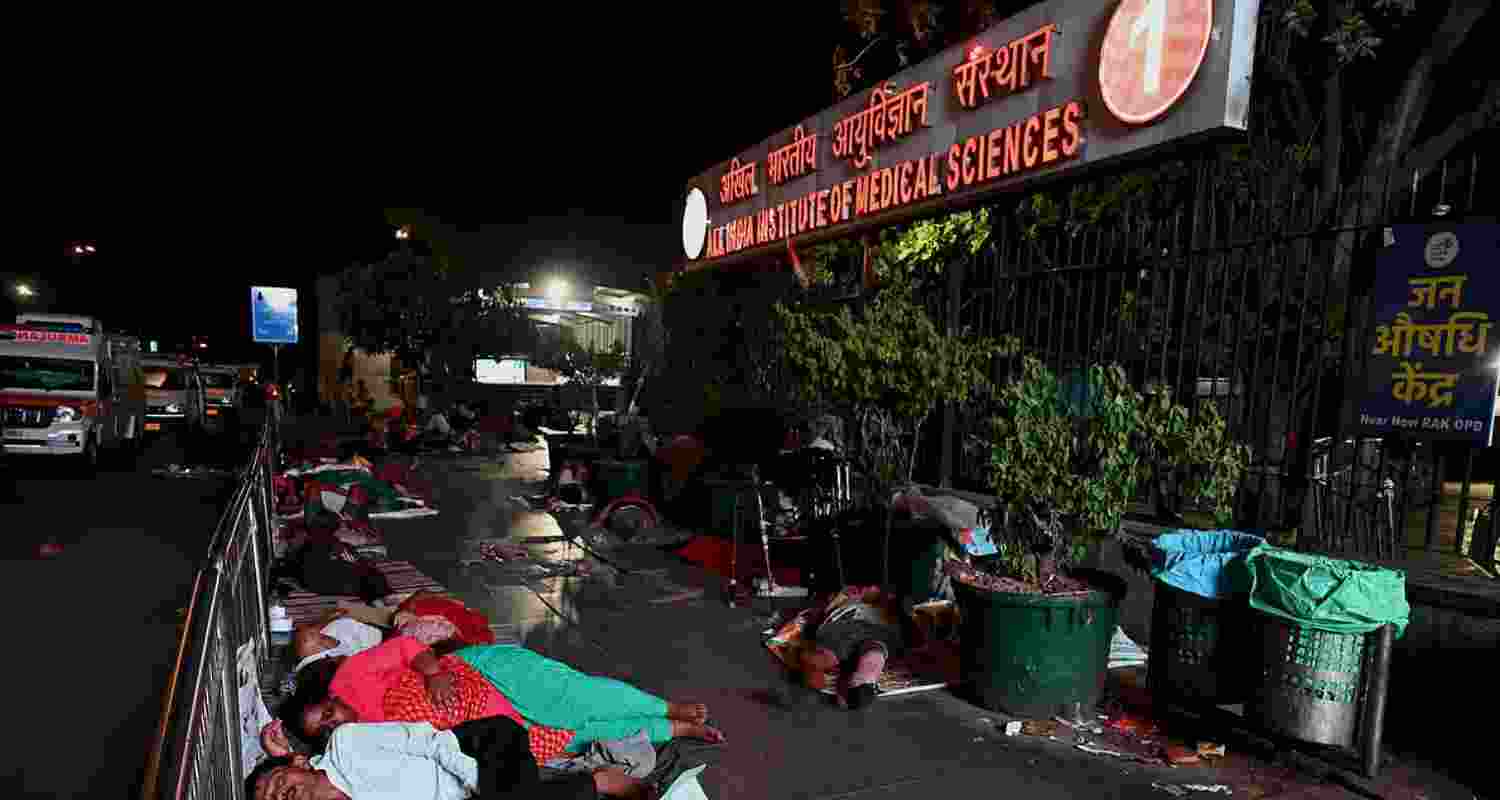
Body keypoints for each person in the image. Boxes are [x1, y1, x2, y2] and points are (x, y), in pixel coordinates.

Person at [278, 637, 722, 763]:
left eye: (330, 713)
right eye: (327, 730)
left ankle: (665, 707)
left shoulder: (352, 676)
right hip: (489, 725)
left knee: (574, 699)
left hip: (487, 674)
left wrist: (432, 674)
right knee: (579, 739)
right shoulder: (354, 745)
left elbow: (406, 647)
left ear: (330, 697)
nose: (338, 723)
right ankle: (675, 730)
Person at [248, 717, 649, 800]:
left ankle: (602, 782)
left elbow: (432, 741)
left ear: (299, 763)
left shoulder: (347, 744)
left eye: (277, 784)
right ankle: (596, 783)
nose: (280, 796)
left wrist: (483, 785)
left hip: (480, 750)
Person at [792, 587, 908, 710]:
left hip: (857, 631)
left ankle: (860, 681)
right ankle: (860, 682)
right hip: (857, 631)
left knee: (872, 648)